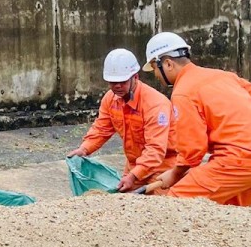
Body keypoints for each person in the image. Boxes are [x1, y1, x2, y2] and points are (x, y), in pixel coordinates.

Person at [142, 32, 251, 206]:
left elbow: (192, 149)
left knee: (176, 204)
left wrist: (175, 174)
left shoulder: (183, 92)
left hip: (235, 163)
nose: (156, 75)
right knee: (230, 213)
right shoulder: (221, 75)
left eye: (155, 68)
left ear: (167, 63)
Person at [67, 48, 174, 192]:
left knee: (160, 210)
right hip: (134, 166)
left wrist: (133, 176)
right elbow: (101, 129)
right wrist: (84, 149)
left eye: (122, 81)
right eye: (112, 82)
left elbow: (155, 150)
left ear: (135, 77)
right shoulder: (110, 99)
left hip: (164, 168)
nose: (117, 86)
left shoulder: (155, 104)